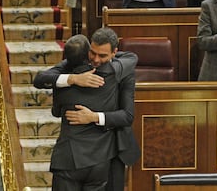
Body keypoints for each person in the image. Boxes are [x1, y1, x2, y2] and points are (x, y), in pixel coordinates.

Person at [34, 27, 140, 191]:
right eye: (93, 53)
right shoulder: (70, 70)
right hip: (94, 157)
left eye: (102, 55)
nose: (96, 60)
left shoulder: (121, 71)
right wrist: (73, 78)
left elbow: (127, 115)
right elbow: (40, 79)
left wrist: (94, 117)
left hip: (108, 150)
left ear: (114, 53)